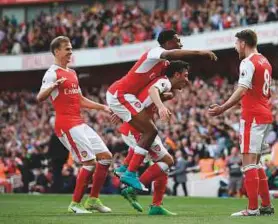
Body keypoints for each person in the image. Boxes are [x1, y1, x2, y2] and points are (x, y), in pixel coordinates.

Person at [106, 29, 217, 191]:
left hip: (126, 97)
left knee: (149, 134)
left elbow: (147, 88)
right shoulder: (155, 53)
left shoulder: (163, 67)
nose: (180, 44)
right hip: (121, 94)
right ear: (168, 42)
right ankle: (130, 173)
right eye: (177, 40)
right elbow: (167, 64)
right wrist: (200, 52)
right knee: (151, 132)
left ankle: (125, 169)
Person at [37, 36, 113, 214]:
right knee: (89, 162)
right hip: (66, 124)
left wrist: (102, 107)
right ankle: (75, 204)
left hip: (79, 122)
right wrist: (53, 86)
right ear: (57, 51)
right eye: (67, 49)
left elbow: (80, 100)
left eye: (71, 49)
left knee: (106, 157)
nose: (70, 52)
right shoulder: (52, 73)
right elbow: (40, 97)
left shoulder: (72, 73)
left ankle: (93, 200)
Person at [208, 29, 274, 217]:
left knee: (248, 164)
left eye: (236, 43)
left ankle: (252, 208)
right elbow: (261, 92)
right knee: (257, 163)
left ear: (243, 43)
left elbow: (243, 88)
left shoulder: (248, 62)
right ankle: (266, 205)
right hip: (264, 114)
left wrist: (223, 107)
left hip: (252, 117)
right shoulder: (265, 61)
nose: (235, 47)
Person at [115, 60, 190, 215]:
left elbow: (144, 98)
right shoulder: (163, 82)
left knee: (164, 165)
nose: (187, 80)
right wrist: (162, 106)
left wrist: (164, 99)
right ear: (176, 74)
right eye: (186, 75)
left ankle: (156, 205)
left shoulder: (162, 84)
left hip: (138, 129)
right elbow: (152, 91)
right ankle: (131, 188)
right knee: (167, 161)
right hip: (138, 130)